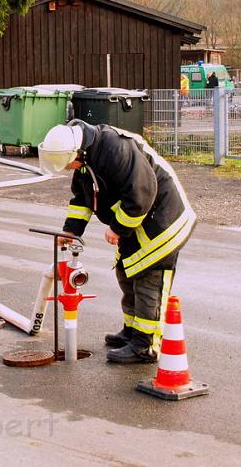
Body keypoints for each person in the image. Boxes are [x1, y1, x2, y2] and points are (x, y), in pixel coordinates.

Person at [38, 121, 197, 364]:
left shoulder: (114, 150)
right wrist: (70, 232)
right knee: (126, 271)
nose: (69, 168)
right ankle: (132, 332)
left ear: (76, 153)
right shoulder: (85, 159)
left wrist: (117, 228)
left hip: (163, 221)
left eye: (69, 163)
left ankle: (146, 345)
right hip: (139, 221)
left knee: (148, 279)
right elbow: (82, 199)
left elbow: (141, 191)